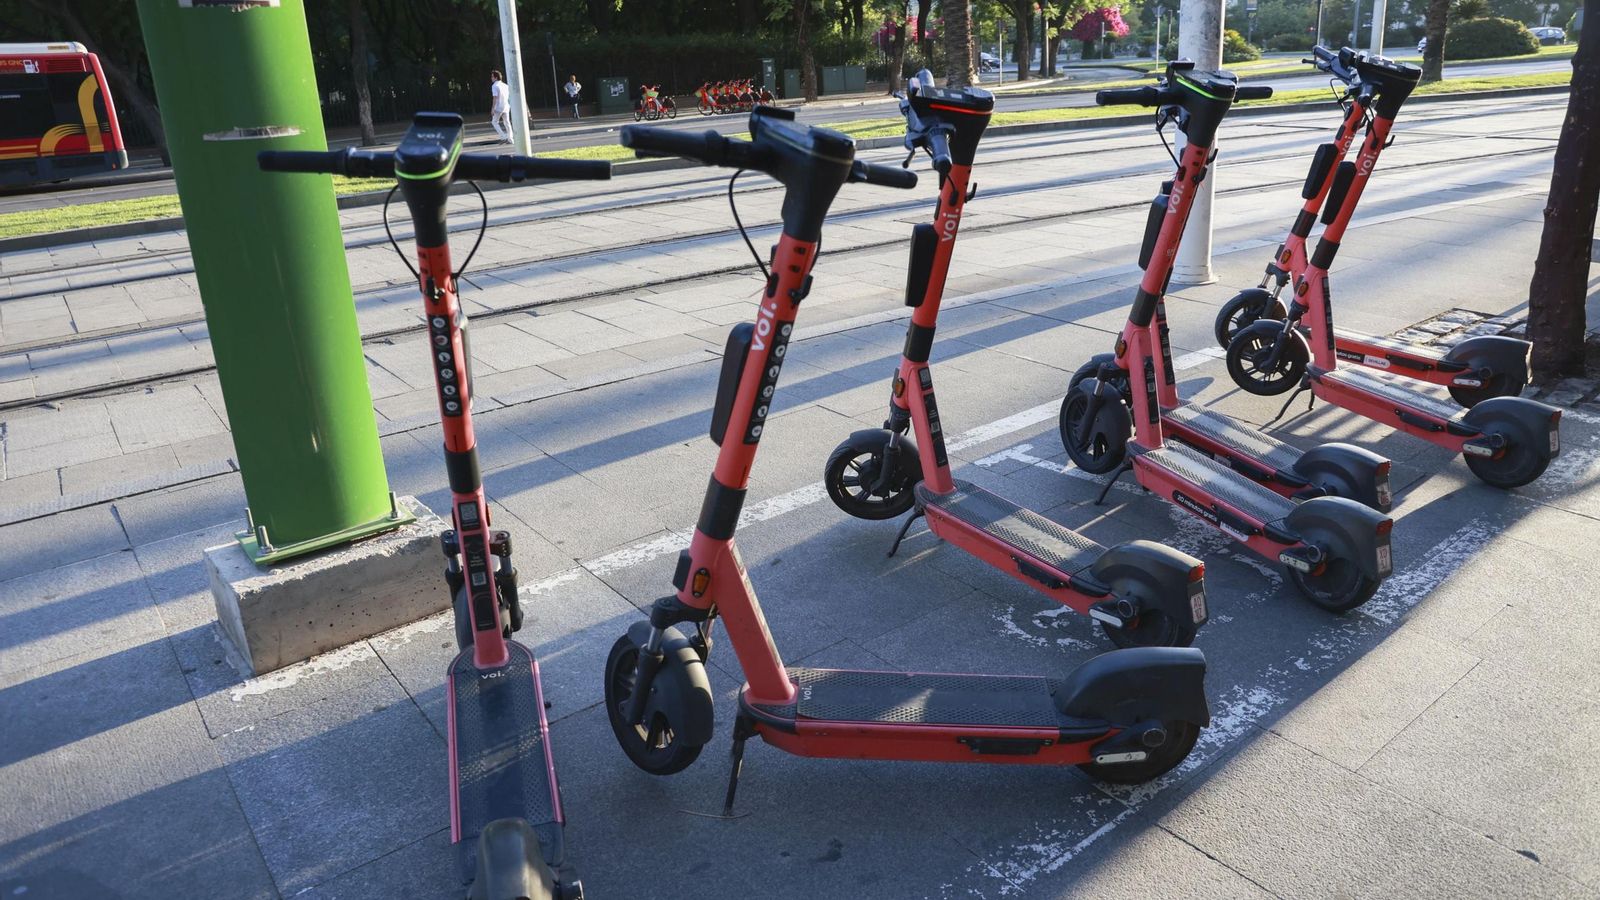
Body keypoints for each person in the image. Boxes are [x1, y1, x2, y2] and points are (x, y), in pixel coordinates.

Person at [489, 69, 511, 144]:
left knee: (494, 122)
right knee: (507, 122)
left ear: (496, 77)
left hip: (498, 107)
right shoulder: (505, 85)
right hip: (506, 106)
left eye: (492, 77)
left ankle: (503, 137)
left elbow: (495, 98)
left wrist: (493, 108)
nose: (491, 78)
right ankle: (510, 139)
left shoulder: (495, 86)